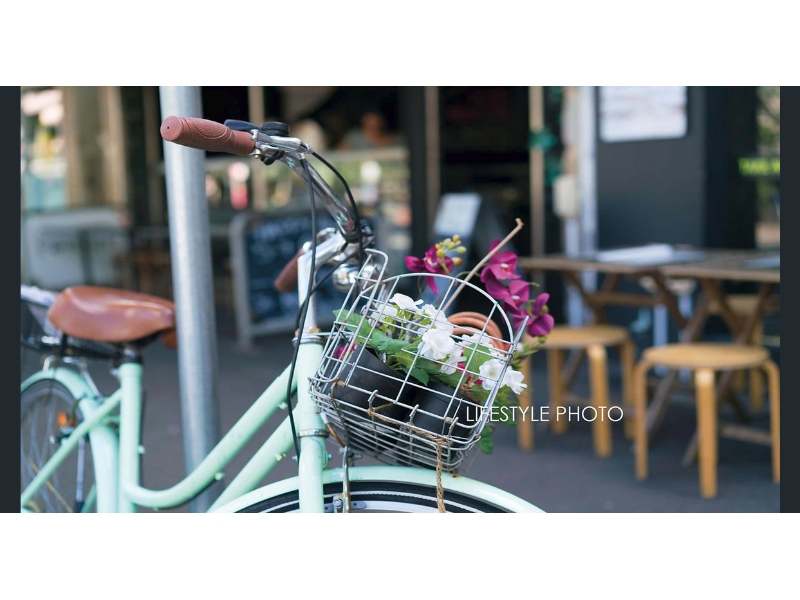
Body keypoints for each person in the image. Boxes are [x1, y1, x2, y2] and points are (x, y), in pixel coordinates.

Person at [338, 108, 404, 150]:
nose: (375, 124)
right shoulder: (353, 138)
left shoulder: (397, 140)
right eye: (370, 120)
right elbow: (339, 156)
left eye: (377, 120)